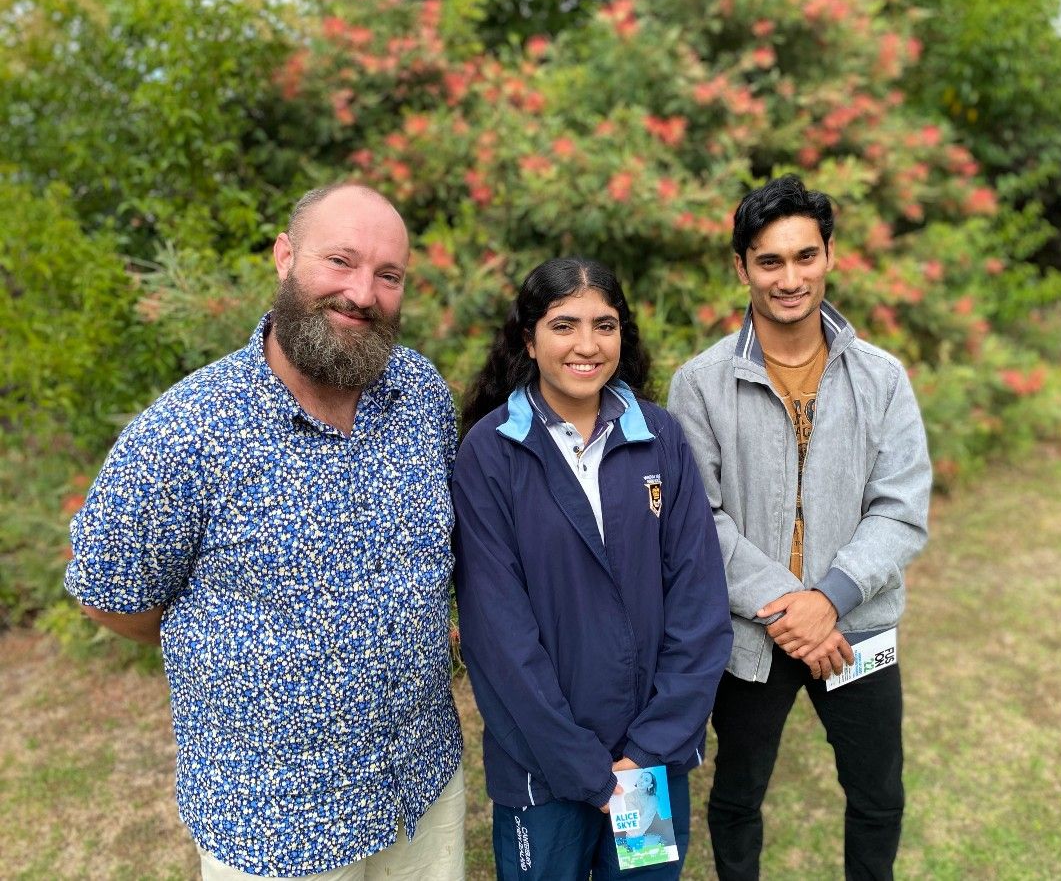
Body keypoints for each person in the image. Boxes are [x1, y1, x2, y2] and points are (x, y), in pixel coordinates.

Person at [65, 183, 466, 880]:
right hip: (275, 820)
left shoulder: (423, 396)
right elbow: (110, 596)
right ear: (284, 256)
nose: (362, 293)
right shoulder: (185, 431)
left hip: (421, 787)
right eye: (339, 261)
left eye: (388, 274)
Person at [667, 175, 932, 881]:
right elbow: (698, 519)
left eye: (804, 256)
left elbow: (901, 508)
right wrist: (791, 606)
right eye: (770, 261)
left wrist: (831, 600)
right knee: (738, 793)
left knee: (878, 793)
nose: (790, 278)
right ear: (742, 268)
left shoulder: (881, 378)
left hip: (859, 626)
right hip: (754, 633)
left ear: (829, 256)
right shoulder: (700, 384)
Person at [452, 257, 732, 881]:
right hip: (544, 766)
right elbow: (499, 636)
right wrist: (581, 765)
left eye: (604, 325)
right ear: (529, 339)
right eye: (564, 324)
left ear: (623, 334)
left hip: (648, 767)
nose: (586, 345)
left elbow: (700, 605)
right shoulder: (491, 454)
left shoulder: (659, 437)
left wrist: (648, 753)